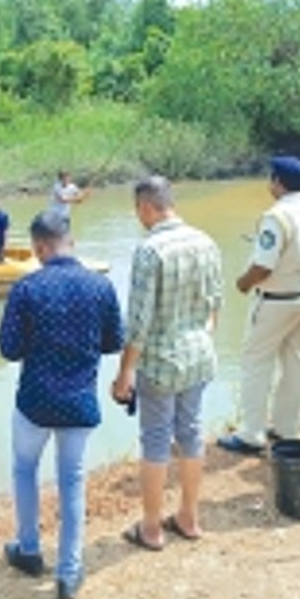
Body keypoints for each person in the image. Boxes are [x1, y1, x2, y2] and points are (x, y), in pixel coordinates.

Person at [0, 211, 125, 599]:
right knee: (72, 480)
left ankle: (29, 549)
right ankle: (68, 572)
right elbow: (114, 342)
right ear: (72, 241)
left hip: (35, 400)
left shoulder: (27, 288)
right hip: (79, 402)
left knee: (24, 470)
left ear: (38, 247)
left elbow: (8, 348)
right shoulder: (100, 286)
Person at [111, 176, 223, 549]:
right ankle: (189, 517)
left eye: (137, 211)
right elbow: (216, 304)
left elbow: (138, 322)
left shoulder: (150, 250)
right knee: (191, 432)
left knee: (156, 440)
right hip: (199, 355)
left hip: (161, 362)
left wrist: (125, 372)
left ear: (146, 207)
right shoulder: (206, 241)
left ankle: (151, 527)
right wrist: (202, 338)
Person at [217, 156, 300, 455]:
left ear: (277, 182)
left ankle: (251, 433)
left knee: (256, 362)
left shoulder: (276, 217)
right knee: (294, 362)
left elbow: (263, 266)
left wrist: (243, 283)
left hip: (276, 300)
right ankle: (286, 427)